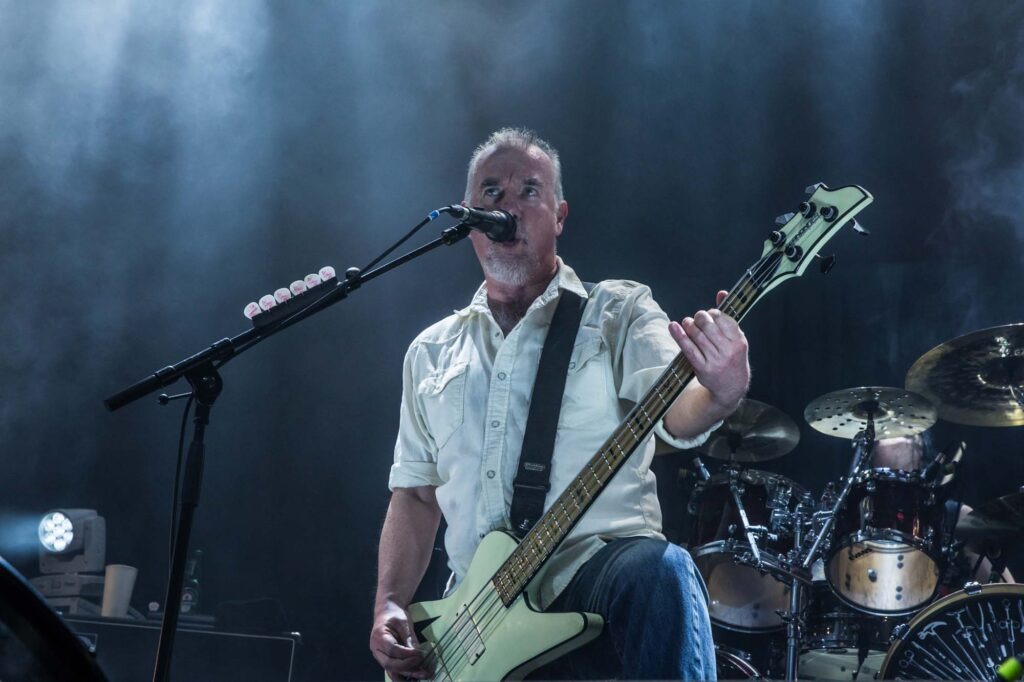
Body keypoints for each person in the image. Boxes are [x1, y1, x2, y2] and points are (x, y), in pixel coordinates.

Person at [369, 128, 750, 680]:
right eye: (491, 193)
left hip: (596, 575)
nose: (508, 206)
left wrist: (722, 390)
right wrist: (389, 604)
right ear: (469, 219)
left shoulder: (618, 311)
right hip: (473, 622)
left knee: (662, 570)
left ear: (559, 214)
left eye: (529, 191)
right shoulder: (430, 352)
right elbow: (416, 495)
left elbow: (676, 411)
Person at [871, 433, 1014, 585]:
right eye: (888, 432)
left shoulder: (954, 516)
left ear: (920, 451)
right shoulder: (859, 515)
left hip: (941, 607)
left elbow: (1005, 590)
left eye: (906, 431)